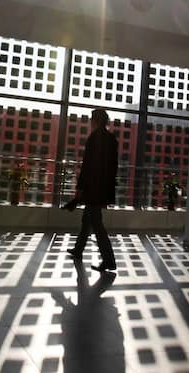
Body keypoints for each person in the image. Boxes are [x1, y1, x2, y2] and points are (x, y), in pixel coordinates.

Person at [67, 108, 118, 272]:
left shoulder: (94, 138)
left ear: (94, 121)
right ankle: (78, 250)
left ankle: (109, 260)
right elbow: (112, 167)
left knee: (96, 223)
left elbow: (87, 167)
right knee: (87, 220)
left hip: (93, 188)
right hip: (103, 188)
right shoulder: (111, 139)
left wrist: (80, 188)